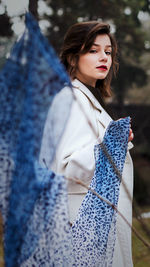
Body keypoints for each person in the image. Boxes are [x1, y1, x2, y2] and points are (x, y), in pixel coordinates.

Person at [40, 21, 134, 266]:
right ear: (73, 58)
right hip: (84, 232)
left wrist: (117, 139)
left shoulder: (86, 100)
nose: (103, 57)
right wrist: (111, 140)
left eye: (108, 52)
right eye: (93, 50)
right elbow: (67, 168)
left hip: (94, 228)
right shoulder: (72, 99)